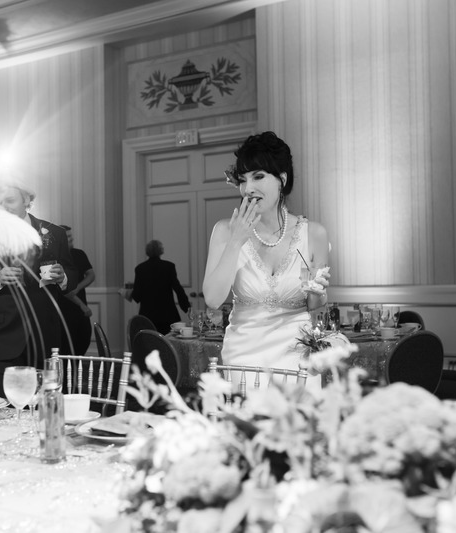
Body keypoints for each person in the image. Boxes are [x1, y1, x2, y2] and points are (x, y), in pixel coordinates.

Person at [202, 131, 330, 390]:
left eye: (258, 176)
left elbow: (315, 307)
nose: (248, 188)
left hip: (298, 362)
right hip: (244, 362)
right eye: (242, 180)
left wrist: (318, 292)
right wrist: (236, 240)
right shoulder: (225, 230)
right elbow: (213, 300)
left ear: (282, 179)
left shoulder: (314, 233)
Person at [0, 185, 76, 397]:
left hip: (45, 334)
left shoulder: (55, 233)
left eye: (10, 200)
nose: (3, 206)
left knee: (43, 403)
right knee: (7, 403)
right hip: (2, 336)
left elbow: (72, 273)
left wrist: (63, 276)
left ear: (27, 200)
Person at [131, 240, 191, 335]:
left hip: (148, 315)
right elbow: (178, 288)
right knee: (168, 341)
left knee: (150, 340)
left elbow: (137, 296)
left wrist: (128, 293)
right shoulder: (169, 267)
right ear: (161, 251)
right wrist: (186, 307)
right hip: (167, 314)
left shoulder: (140, 269)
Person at [59, 225, 95, 355]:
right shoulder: (56, 257)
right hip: (64, 308)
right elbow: (61, 286)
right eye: (68, 237)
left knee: (83, 338)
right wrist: (81, 304)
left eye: (71, 236)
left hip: (80, 305)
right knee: (66, 346)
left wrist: (78, 287)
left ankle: (75, 366)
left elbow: (91, 275)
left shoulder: (79, 254)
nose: (71, 239)